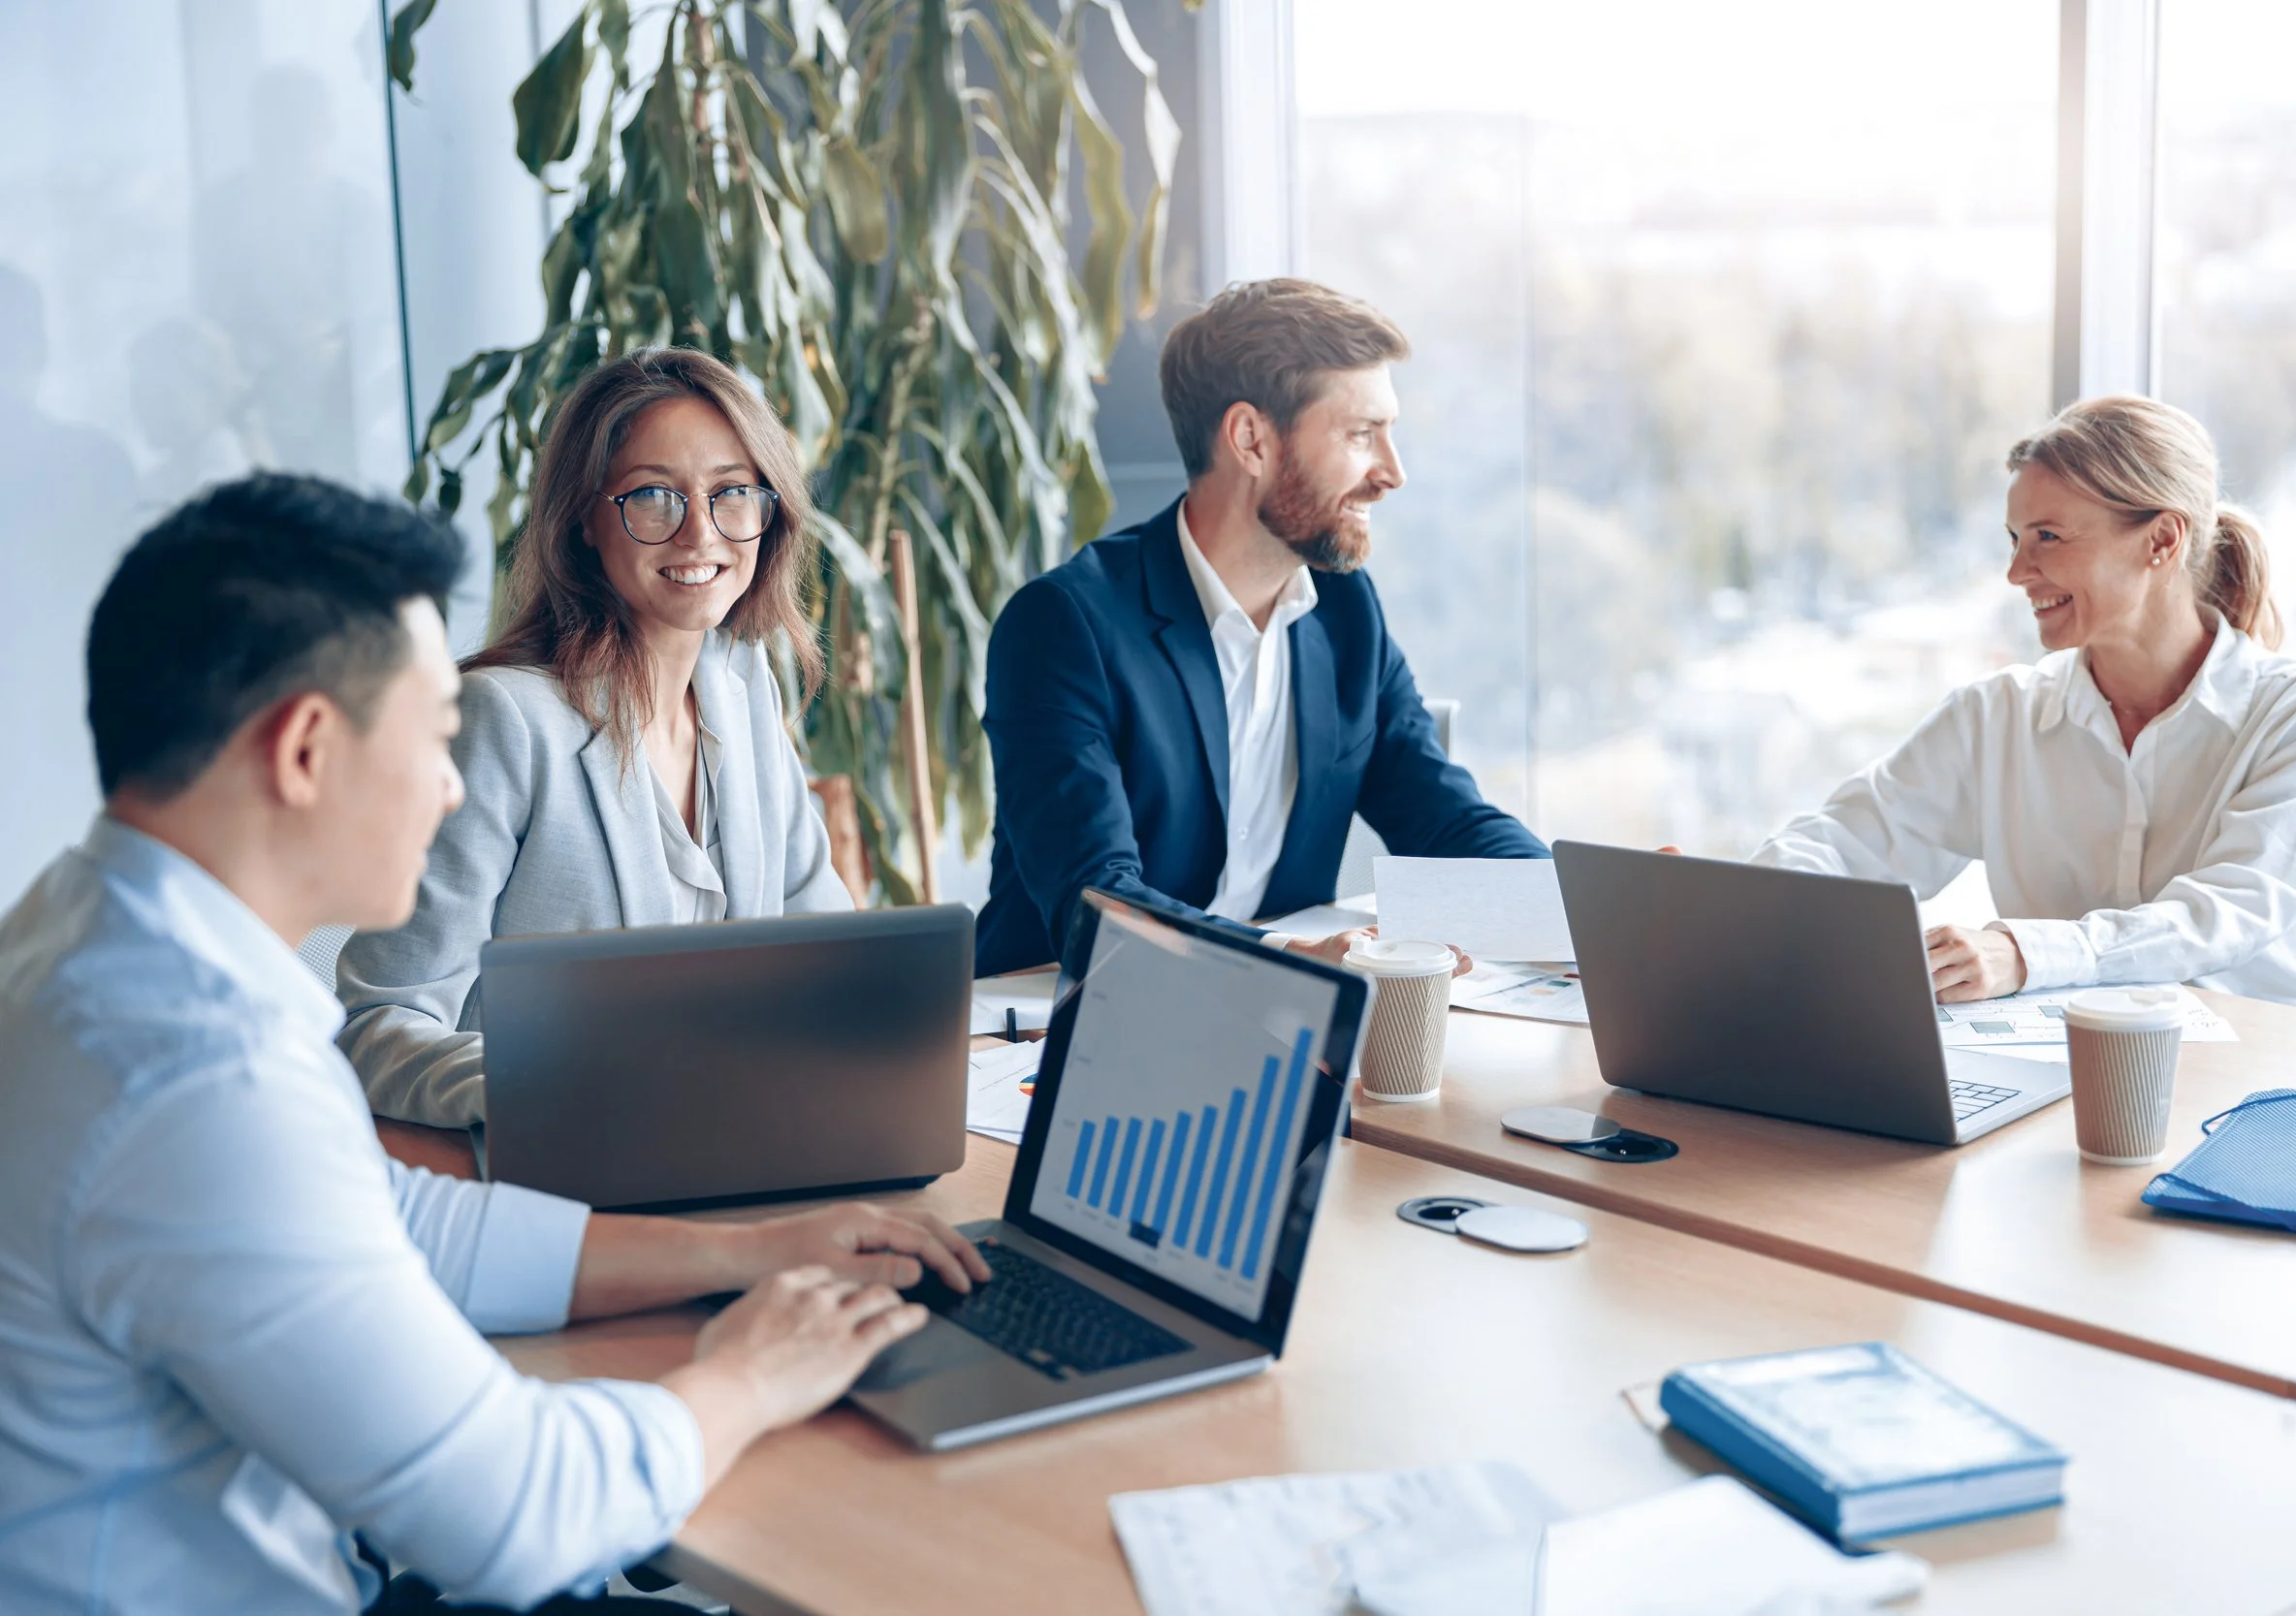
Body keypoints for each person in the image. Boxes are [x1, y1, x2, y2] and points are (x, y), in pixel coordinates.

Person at [0, 473, 987, 1614]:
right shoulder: (197, 1077)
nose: (453, 783)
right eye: (433, 734)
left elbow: (404, 1219)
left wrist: (748, 1249)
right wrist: (751, 1372)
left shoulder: (83, 930)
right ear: (306, 750)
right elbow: (520, 1516)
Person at [337, 348, 853, 1127]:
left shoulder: (742, 687)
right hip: (567, 1169)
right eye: (653, 496)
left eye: (731, 494)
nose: (699, 533)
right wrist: (565, 1089)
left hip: (741, 1131)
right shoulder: (505, 720)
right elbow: (380, 1024)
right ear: (584, 515)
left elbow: (835, 957)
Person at [977, 278, 1547, 975]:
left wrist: (1579, 906)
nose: (1392, 473)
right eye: (1362, 435)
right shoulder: (1066, 627)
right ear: (1251, 439)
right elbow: (1098, 907)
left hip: (1278, 1018)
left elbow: (1444, 819)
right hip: (1050, 1027)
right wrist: (1291, 957)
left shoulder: (1347, 613)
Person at [1751, 395, 2296, 1014]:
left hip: (2278, 1081)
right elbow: (1844, 842)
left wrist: (2021, 953)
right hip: (2075, 1064)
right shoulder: (1998, 717)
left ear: (2161, 540)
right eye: (2015, 538)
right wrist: (1717, 905)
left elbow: (2223, 914)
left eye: (2048, 536)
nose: (2018, 571)